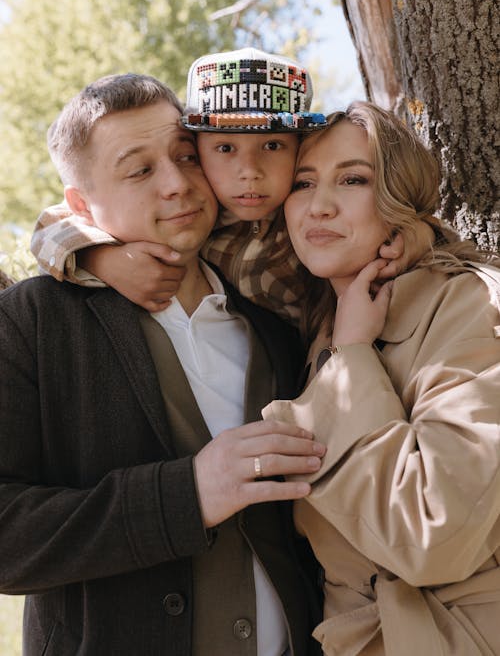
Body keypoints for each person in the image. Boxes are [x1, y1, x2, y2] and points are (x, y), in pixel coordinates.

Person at [0, 73, 328, 656]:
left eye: (185, 155)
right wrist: (187, 495)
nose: (178, 183)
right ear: (81, 205)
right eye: (140, 169)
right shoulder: (29, 323)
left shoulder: (277, 313)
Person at [262, 101, 500, 655]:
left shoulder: (468, 305)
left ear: (399, 198)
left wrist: (353, 356)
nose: (318, 206)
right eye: (302, 183)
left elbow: (432, 532)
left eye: (353, 179)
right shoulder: (310, 321)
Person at [31, 48, 409, 323]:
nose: (249, 172)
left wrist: (415, 237)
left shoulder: (307, 209)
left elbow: (385, 213)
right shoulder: (199, 214)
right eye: (225, 148)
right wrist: (100, 259)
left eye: (273, 146)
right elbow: (54, 224)